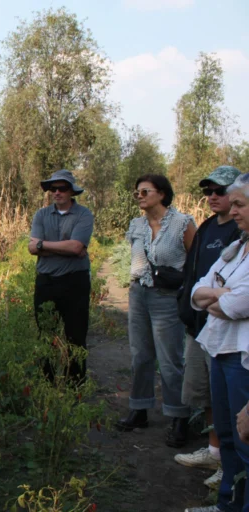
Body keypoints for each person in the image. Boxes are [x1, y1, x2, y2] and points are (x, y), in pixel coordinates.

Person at [116, 174, 196, 448]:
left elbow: (195, 263)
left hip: (167, 297)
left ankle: (179, 416)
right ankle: (139, 409)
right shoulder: (136, 224)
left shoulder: (182, 223)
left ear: (161, 194)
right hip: (138, 294)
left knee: (171, 360)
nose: (138, 195)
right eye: (136, 191)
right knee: (140, 355)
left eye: (144, 191)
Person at [186, 172, 249, 512]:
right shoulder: (236, 248)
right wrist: (219, 296)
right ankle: (227, 503)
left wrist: (219, 297)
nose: (233, 211)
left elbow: (237, 304)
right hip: (218, 349)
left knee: (245, 440)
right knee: (227, 436)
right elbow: (198, 290)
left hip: (242, 358)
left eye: (239, 204)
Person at [28, 169, 94, 383]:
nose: (57, 192)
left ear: (71, 191)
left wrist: (43, 245)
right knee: (45, 334)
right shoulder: (41, 214)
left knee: (76, 335)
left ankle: (76, 384)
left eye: (62, 188)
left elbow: (76, 247)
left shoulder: (84, 215)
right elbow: (32, 248)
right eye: (53, 189)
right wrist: (63, 247)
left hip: (75, 282)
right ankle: (46, 383)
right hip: (46, 282)